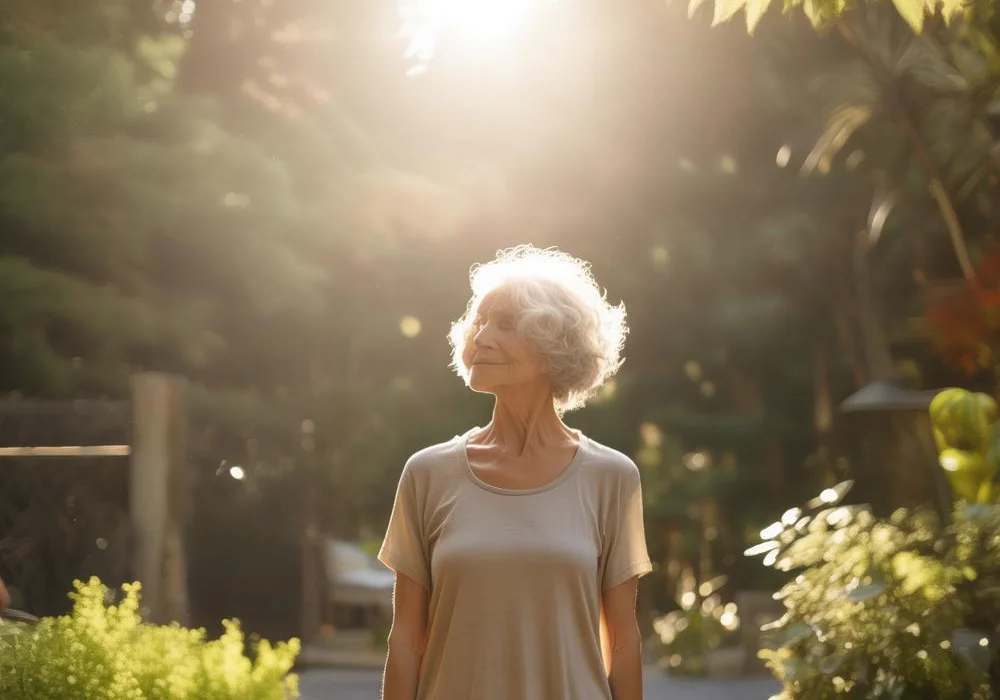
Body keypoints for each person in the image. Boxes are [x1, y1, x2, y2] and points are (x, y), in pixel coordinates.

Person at [378, 245, 652, 700]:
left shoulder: (612, 477)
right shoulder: (427, 474)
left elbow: (622, 641)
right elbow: (406, 640)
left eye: (506, 323)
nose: (481, 336)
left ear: (554, 345)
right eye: (480, 322)